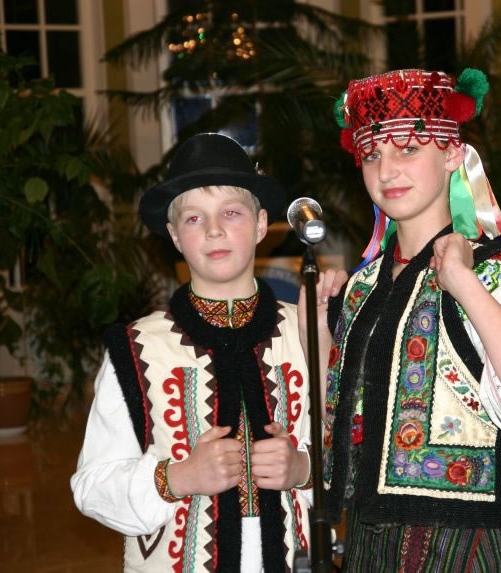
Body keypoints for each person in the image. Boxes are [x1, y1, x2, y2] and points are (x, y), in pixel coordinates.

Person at [317, 68, 501, 571]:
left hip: (462, 547)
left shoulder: (492, 272)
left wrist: (463, 282)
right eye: (372, 154)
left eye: (408, 149)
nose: (386, 170)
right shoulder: (361, 286)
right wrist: (318, 327)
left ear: (451, 154)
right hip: (366, 546)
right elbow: (339, 423)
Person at [71, 133, 317, 573]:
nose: (214, 230)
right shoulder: (136, 348)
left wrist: (302, 468)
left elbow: (357, 459)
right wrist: (178, 477)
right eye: (193, 218)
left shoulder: (307, 331)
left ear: (262, 224)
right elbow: (91, 487)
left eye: (231, 213)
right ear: (174, 236)